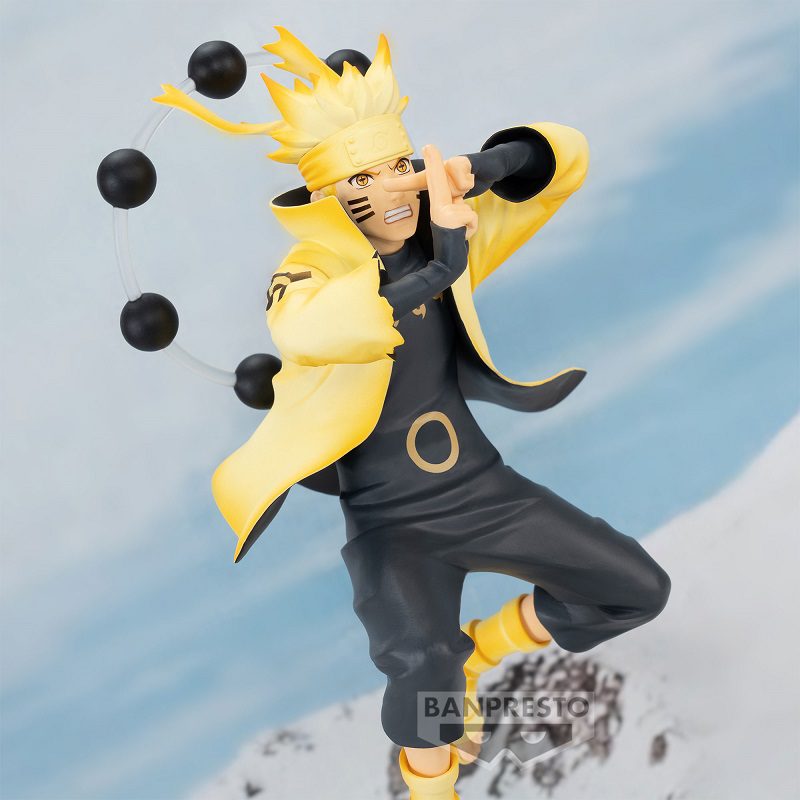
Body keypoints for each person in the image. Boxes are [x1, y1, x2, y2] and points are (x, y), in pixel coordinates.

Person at [155, 27, 671, 799]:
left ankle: (484, 645)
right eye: (366, 177)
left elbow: (564, 164)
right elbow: (311, 329)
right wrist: (435, 270)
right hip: (392, 524)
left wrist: (483, 168)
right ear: (328, 197)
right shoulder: (310, 268)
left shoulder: (445, 234)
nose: (394, 189)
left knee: (635, 589)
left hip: (484, 490)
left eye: (401, 167)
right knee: (425, 677)